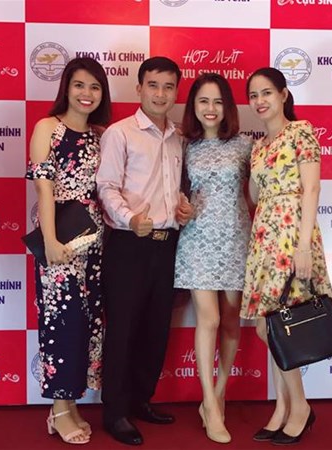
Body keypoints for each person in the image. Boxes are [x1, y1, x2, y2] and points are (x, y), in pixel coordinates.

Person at [96, 56, 193, 446]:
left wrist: (182, 207)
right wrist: (129, 218)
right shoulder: (119, 133)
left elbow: (177, 188)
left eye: (168, 87)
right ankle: (115, 412)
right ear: (139, 88)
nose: (160, 94)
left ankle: (141, 400)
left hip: (167, 247)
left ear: (176, 92)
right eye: (153, 85)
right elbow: (106, 186)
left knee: (155, 329)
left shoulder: (179, 137)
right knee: (123, 330)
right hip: (128, 245)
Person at [241, 67, 332, 445]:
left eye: (266, 92)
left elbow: (311, 189)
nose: (259, 101)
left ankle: (300, 408)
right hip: (264, 237)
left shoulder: (301, 132)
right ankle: (283, 407)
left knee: (281, 325)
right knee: (268, 326)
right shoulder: (258, 146)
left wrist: (303, 246)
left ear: (283, 95)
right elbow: (253, 195)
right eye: (253, 95)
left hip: (292, 236)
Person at [26, 56, 111, 445]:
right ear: (66, 88)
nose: (86, 93)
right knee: (61, 321)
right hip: (59, 239)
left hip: (94, 244)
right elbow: (43, 188)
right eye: (79, 85)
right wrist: (50, 242)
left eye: (94, 87)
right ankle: (60, 410)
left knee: (86, 322)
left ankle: (70, 404)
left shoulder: (101, 135)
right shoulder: (48, 128)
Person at [173, 73, 252, 444]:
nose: (210, 108)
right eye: (203, 101)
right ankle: (208, 400)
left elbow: (256, 192)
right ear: (193, 106)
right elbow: (173, 192)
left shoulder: (245, 145)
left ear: (228, 107)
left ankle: (218, 395)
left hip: (236, 240)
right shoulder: (183, 145)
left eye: (218, 101)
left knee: (232, 322)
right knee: (210, 319)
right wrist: (181, 207)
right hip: (198, 242)